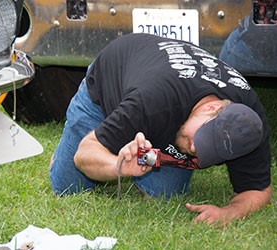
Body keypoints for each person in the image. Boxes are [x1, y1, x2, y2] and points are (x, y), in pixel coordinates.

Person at [49, 33, 271, 227]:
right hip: (109, 80)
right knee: (68, 186)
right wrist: (117, 166)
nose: (194, 148)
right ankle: (72, 142)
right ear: (211, 107)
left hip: (162, 101)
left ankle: (149, 144)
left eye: (208, 150)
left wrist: (230, 212)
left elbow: (258, 190)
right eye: (203, 138)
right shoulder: (152, 100)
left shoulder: (248, 126)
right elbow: (84, 154)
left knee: (165, 195)